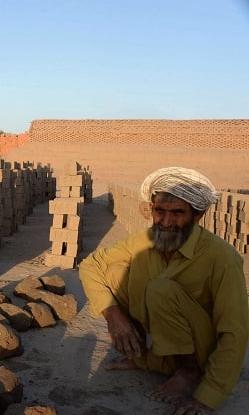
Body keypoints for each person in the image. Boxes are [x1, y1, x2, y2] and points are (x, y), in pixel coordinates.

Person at [79, 167, 248, 414]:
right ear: (152, 208)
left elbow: (235, 331)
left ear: (197, 216)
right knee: (115, 271)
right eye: (160, 211)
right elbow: (91, 264)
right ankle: (142, 358)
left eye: (177, 213)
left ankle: (188, 373)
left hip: (200, 351)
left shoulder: (222, 258)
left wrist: (208, 397)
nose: (166, 222)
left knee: (160, 289)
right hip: (162, 344)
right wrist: (113, 315)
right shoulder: (144, 239)